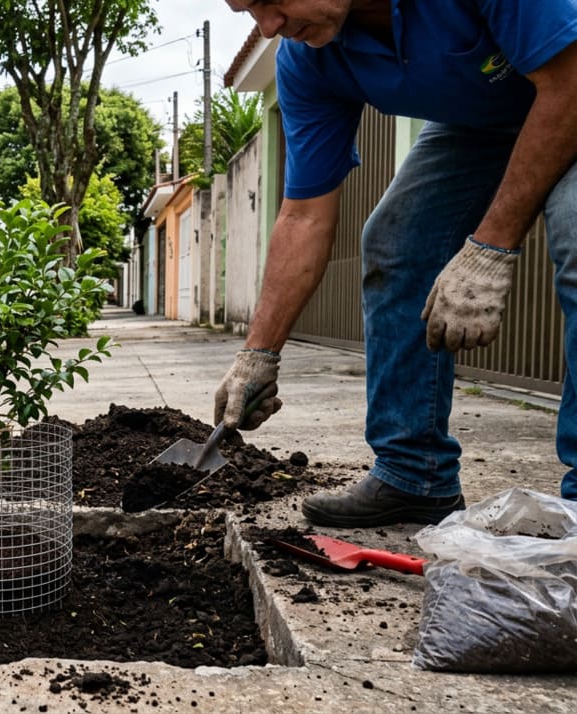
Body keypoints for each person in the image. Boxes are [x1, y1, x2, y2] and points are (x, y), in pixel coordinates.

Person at [215, 0, 577, 527]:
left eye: (271, 0)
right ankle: (415, 474)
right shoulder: (307, 57)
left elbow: (567, 83)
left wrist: (490, 248)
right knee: (396, 241)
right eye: (249, 12)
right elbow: (303, 217)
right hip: (489, 122)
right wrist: (258, 353)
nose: (268, 26)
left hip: (569, 84)